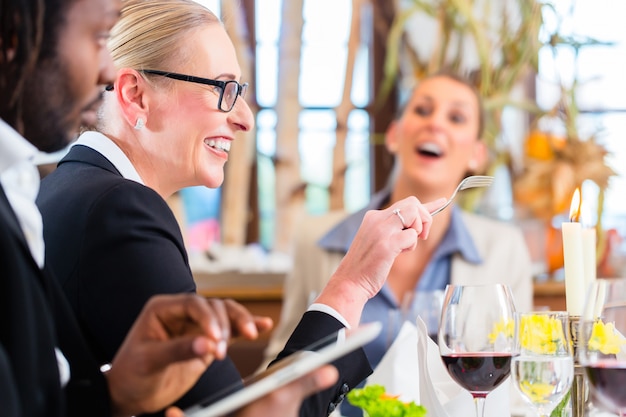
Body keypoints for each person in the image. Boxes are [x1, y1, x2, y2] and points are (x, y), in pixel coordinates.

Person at [35, 0, 445, 415]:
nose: (245, 119)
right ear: (135, 94)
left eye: (241, 92)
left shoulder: (67, 190)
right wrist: (351, 286)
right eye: (223, 88)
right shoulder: (120, 211)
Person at [262, 71, 534, 416]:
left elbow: (513, 389)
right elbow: (280, 370)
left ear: (477, 154)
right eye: (422, 110)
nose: (435, 124)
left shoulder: (504, 248)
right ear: (393, 135)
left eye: (456, 117)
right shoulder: (314, 239)